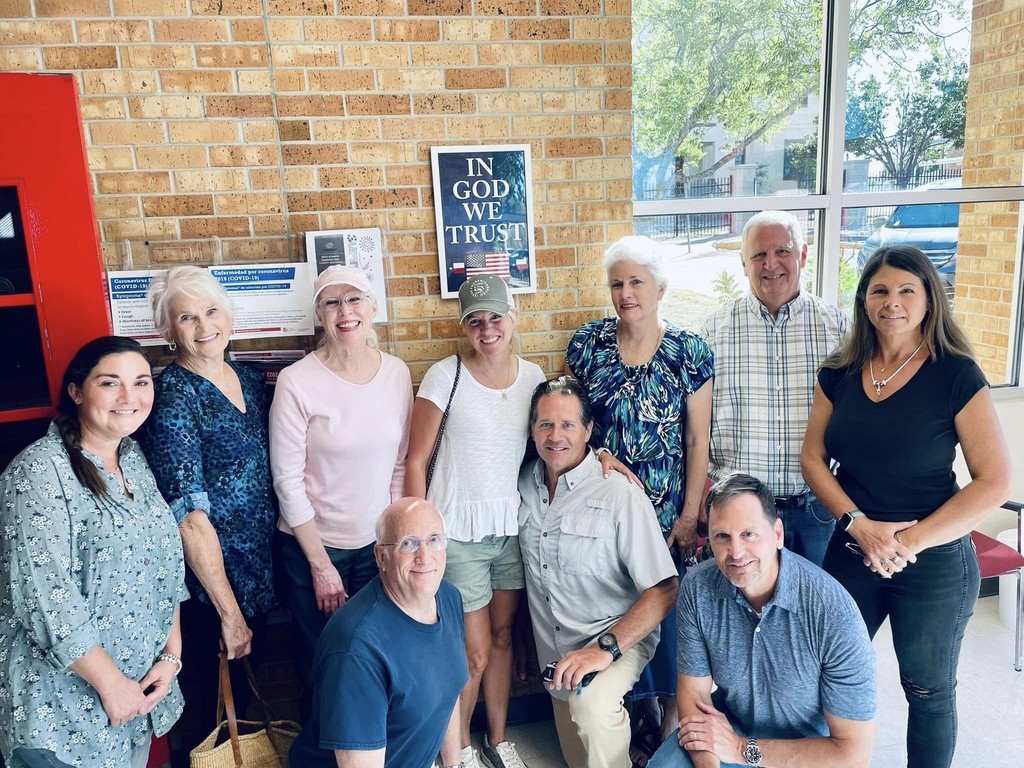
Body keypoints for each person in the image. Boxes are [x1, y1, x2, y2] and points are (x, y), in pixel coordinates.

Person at [802, 245, 1011, 768]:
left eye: (906, 290)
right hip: (853, 549)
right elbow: (812, 458)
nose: (891, 302)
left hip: (933, 561)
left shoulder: (956, 375)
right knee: (825, 672)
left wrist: (904, 542)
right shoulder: (840, 371)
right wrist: (859, 526)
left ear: (929, 299)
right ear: (864, 301)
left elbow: (994, 482)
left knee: (927, 689)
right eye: (880, 290)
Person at [0, 336, 188, 768]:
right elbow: (44, 596)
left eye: (141, 382)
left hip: (137, 696)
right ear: (76, 391)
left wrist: (170, 656)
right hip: (64, 710)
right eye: (110, 383)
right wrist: (111, 685)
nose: (129, 397)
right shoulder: (38, 471)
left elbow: (164, 565)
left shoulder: (133, 459)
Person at [566, 235, 713, 756]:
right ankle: (630, 717)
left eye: (636, 282)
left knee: (670, 620)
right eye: (617, 284)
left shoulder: (688, 351)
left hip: (667, 514)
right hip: (603, 513)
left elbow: (697, 440)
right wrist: (600, 452)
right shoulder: (589, 344)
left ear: (660, 288)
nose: (626, 293)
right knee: (616, 609)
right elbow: (574, 423)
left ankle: (671, 723)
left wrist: (690, 515)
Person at [405, 274, 547, 768]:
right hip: (457, 533)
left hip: (509, 528)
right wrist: (416, 535)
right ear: (465, 327)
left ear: (513, 317)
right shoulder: (445, 375)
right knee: (475, 651)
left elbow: (550, 445)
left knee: (505, 638)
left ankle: (498, 741)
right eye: (475, 321)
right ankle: (459, 749)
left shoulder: (533, 378)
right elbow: (416, 459)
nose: (487, 330)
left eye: (495, 318)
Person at [137, 265, 277, 746]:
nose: (204, 326)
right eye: (187, 318)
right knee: (208, 717)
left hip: (257, 572)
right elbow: (189, 521)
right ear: (167, 332)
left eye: (212, 311)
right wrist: (228, 613)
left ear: (230, 315)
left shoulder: (249, 380)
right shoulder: (174, 398)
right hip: (209, 588)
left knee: (241, 706)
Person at [648, 473, 875, 768]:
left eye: (749, 534)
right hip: (730, 727)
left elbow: (853, 754)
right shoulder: (697, 587)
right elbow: (695, 697)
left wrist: (742, 749)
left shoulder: (833, 611)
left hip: (809, 748)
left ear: (778, 534)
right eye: (722, 536)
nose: (736, 552)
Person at [270, 265, 413, 717]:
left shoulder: (396, 373)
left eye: (354, 299)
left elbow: (400, 464)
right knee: (324, 661)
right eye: (331, 303)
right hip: (314, 549)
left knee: (377, 655)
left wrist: (393, 544)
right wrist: (321, 566)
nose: (344, 311)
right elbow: (287, 480)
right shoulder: (297, 380)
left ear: (373, 307)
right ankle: (323, 748)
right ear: (320, 315)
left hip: (376, 547)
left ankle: (373, 747)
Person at [518, 377, 678, 768]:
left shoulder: (619, 493)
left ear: (589, 431)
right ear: (532, 431)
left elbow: (665, 589)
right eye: (545, 424)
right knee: (583, 758)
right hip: (557, 661)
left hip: (617, 638)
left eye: (568, 425)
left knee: (591, 708)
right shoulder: (521, 484)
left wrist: (604, 649)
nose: (556, 436)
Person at [702, 210, 848, 567]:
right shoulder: (712, 333)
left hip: (816, 512)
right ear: (743, 263)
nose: (770, 264)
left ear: (803, 255)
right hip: (739, 517)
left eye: (782, 251)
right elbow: (694, 426)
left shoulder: (839, 331)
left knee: (814, 602)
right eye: (758, 255)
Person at [289, 497, 467, 768]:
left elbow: (448, 693)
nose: (425, 556)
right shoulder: (356, 648)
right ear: (381, 557)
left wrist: (454, 765)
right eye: (408, 543)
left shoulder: (448, 597)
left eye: (434, 540)